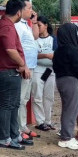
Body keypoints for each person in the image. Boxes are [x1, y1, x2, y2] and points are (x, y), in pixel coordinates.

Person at [0, 0, 33, 150]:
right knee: (7, 106)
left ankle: (14, 135)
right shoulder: (6, 26)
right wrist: (22, 64)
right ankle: (4, 138)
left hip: (12, 72)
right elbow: (10, 50)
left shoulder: (9, 25)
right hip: (7, 71)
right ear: (19, 12)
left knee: (14, 105)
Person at [15, 0, 39, 138]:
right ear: (21, 10)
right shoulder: (17, 25)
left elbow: (35, 37)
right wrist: (23, 65)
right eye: (29, 8)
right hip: (24, 67)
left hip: (31, 66)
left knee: (25, 99)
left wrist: (34, 22)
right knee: (20, 99)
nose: (32, 11)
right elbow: (16, 47)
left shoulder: (26, 25)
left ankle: (23, 126)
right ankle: (18, 128)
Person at [31, 16, 57, 131]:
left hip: (50, 70)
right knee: (37, 95)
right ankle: (40, 121)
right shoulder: (34, 39)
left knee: (49, 96)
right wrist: (46, 55)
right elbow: (31, 54)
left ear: (46, 26)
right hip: (38, 68)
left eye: (39, 25)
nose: (37, 28)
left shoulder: (53, 39)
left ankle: (48, 120)